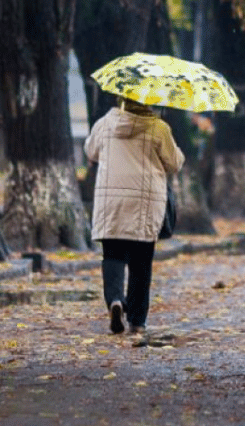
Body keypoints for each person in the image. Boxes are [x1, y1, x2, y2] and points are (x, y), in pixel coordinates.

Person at [84, 97, 184, 335]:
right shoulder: (158, 127)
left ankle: (115, 300)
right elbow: (175, 163)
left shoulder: (105, 123)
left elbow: (90, 151)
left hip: (112, 200)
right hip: (146, 202)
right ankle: (137, 321)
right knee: (141, 261)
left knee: (113, 254)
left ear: (122, 99)